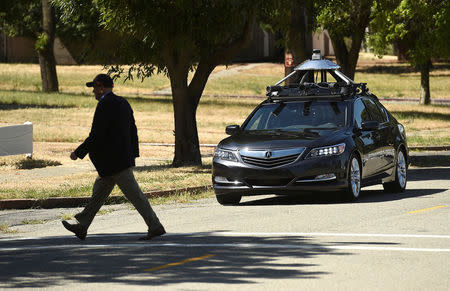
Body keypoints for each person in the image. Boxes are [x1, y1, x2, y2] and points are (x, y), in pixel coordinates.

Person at [62, 74, 165, 241]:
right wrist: (133, 154)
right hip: (118, 161)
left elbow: (96, 135)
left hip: (114, 163)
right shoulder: (123, 103)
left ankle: (155, 226)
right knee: (98, 194)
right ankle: (82, 225)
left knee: (135, 195)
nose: (94, 92)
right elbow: (133, 130)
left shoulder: (104, 104)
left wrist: (78, 152)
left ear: (101, 87)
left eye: (95, 88)